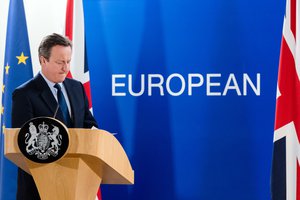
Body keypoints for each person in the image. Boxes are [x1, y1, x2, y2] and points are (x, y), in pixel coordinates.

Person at [11, 33, 98, 200]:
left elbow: (88, 123)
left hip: (77, 181)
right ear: (43, 60)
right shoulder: (24, 94)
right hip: (39, 187)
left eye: (68, 62)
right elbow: (23, 142)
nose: (66, 68)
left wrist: (95, 134)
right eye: (60, 62)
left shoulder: (76, 87)